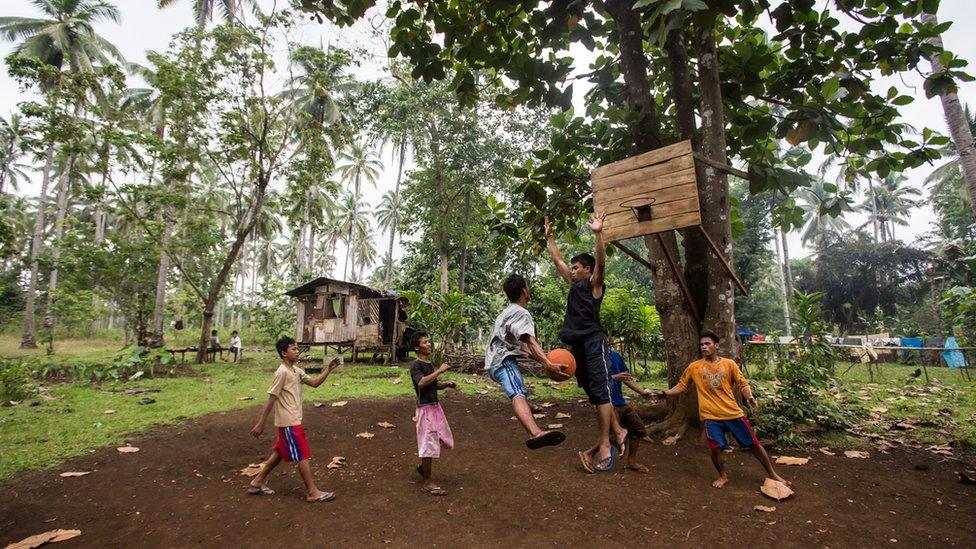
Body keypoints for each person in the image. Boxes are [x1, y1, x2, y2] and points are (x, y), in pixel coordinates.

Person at [545, 213, 627, 472]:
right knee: (593, 393)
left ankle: (605, 444)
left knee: (602, 392)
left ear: (587, 270)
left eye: (578, 266)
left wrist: (598, 233)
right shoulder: (573, 284)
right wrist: (549, 235)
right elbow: (556, 259)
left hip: (594, 342)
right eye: (574, 267)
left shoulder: (594, 285)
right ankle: (618, 430)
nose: (573, 269)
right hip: (577, 347)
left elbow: (601, 263)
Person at [658, 330, 788, 489]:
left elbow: (742, 383)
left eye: (707, 344)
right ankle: (723, 475)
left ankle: (772, 473)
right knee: (715, 448)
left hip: (732, 413)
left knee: (754, 444)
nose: (704, 347)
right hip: (710, 416)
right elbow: (682, 386)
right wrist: (665, 393)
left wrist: (749, 397)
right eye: (702, 344)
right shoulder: (695, 367)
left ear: (716, 346)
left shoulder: (729, 364)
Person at [248, 336, 341, 502]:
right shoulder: (281, 372)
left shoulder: (296, 371)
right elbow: (272, 398)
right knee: (302, 453)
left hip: (292, 420)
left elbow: (314, 383)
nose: (297, 351)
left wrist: (328, 369)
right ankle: (313, 492)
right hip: (289, 422)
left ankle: (257, 481)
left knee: (280, 453)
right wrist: (261, 423)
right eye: (294, 349)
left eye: (297, 349)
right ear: (284, 353)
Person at [485, 274, 571, 450]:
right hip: (502, 361)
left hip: (496, 362)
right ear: (524, 291)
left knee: (518, 391)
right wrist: (547, 363)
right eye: (528, 286)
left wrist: (544, 359)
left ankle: (528, 407)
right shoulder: (521, 313)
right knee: (517, 393)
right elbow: (530, 341)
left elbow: (523, 347)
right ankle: (535, 433)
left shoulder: (506, 312)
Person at [581, 349, 656, 473]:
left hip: (621, 402)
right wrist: (614, 377)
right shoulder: (594, 357)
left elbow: (626, 378)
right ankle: (588, 454)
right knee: (612, 436)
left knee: (637, 428)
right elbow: (590, 380)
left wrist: (642, 392)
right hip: (606, 404)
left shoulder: (616, 356)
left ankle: (631, 461)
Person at [410, 332, 456, 496]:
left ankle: (423, 468)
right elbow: (422, 383)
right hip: (424, 409)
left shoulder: (428, 364)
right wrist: (440, 371)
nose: (429, 344)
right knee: (428, 443)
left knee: (442, 438)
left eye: (429, 341)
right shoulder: (416, 365)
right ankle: (427, 482)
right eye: (425, 342)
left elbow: (432, 384)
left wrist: (445, 384)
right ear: (417, 347)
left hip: (435, 407)